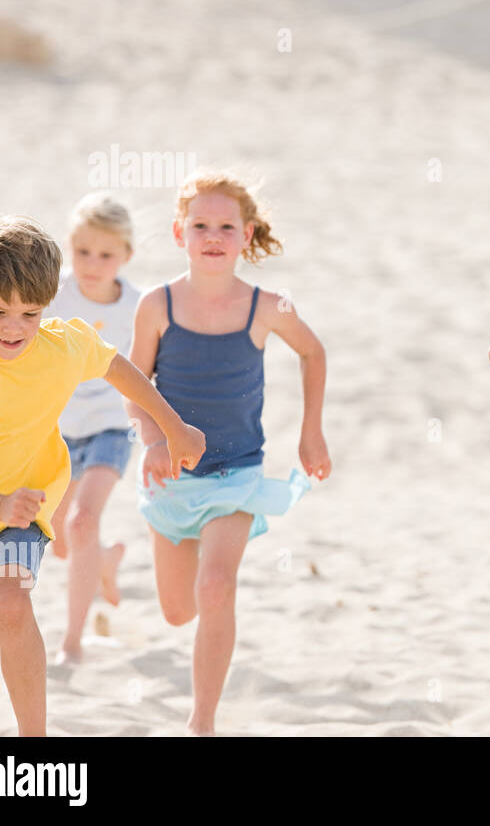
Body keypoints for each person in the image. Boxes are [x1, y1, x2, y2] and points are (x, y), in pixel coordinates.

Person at [0, 215, 204, 735]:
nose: (15, 328)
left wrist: (173, 428)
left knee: (10, 603)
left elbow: (115, 366)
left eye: (30, 313)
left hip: (21, 511)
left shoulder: (61, 344)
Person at [125, 173, 331, 735]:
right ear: (178, 234)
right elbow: (134, 386)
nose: (212, 236)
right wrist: (151, 441)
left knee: (215, 586)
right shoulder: (156, 305)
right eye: (199, 226)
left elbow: (313, 353)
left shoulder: (266, 306)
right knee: (177, 609)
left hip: (238, 473)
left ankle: (202, 721)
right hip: (170, 477)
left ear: (247, 235)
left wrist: (310, 432)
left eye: (225, 227)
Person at [49, 193, 142, 664]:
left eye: (106, 254)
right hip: (58, 433)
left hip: (110, 430)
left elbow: (151, 373)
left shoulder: (138, 307)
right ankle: (104, 560)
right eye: (83, 251)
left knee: (82, 521)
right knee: (62, 541)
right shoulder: (53, 295)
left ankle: (72, 642)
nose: (93, 263)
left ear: (126, 256)